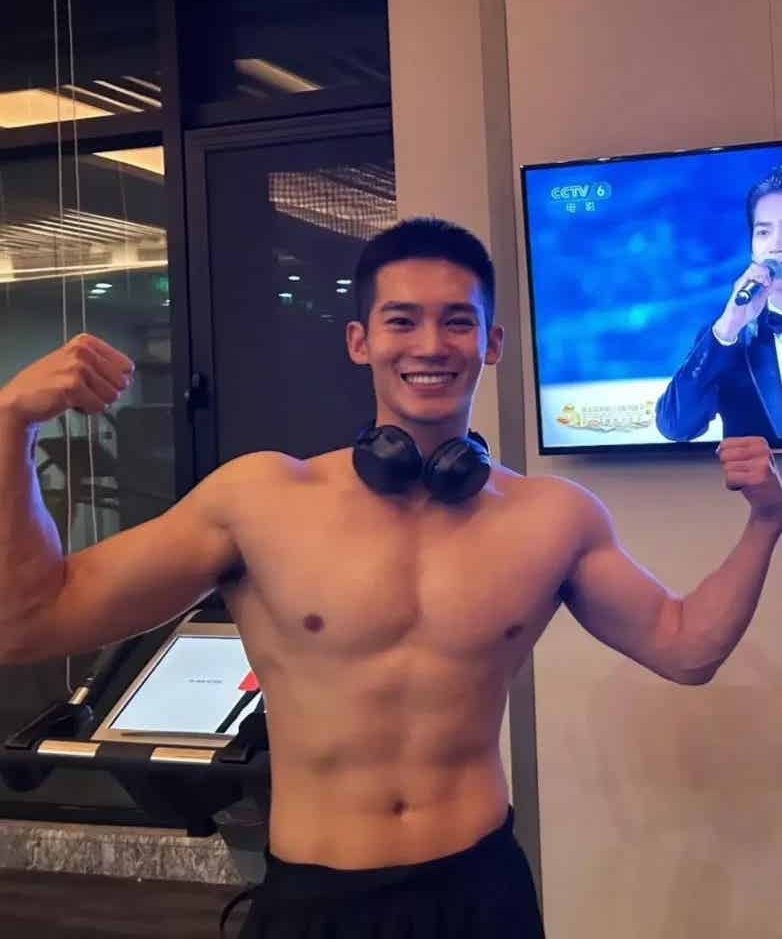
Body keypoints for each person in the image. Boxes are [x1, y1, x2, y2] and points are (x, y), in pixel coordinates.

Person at [1, 217, 781, 939]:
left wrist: (765, 523)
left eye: (457, 321)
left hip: (480, 893)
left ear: (492, 342)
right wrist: (12, 425)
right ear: (360, 341)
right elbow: (28, 619)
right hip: (318, 901)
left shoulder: (553, 519)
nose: (431, 344)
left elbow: (686, 648)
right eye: (402, 320)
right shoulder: (259, 501)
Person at [657, 165, 782, 443]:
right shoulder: (729, 337)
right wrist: (728, 328)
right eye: (763, 232)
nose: (776, 245)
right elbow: (676, 426)